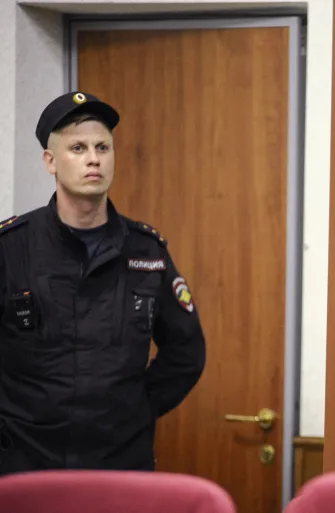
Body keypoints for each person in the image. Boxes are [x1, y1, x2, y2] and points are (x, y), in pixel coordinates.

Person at [0, 91, 206, 474]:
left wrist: (135, 407)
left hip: (119, 463)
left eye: (103, 147)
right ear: (50, 161)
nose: (93, 158)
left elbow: (186, 352)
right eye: (77, 148)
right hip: (25, 466)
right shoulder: (11, 249)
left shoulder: (146, 252)